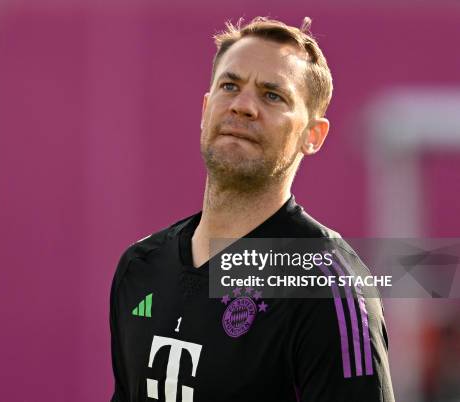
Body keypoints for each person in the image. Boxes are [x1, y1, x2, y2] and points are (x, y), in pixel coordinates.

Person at [109, 16, 395, 402]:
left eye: (272, 95)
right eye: (230, 86)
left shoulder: (326, 285)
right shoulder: (141, 266)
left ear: (313, 135)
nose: (243, 106)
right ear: (206, 108)